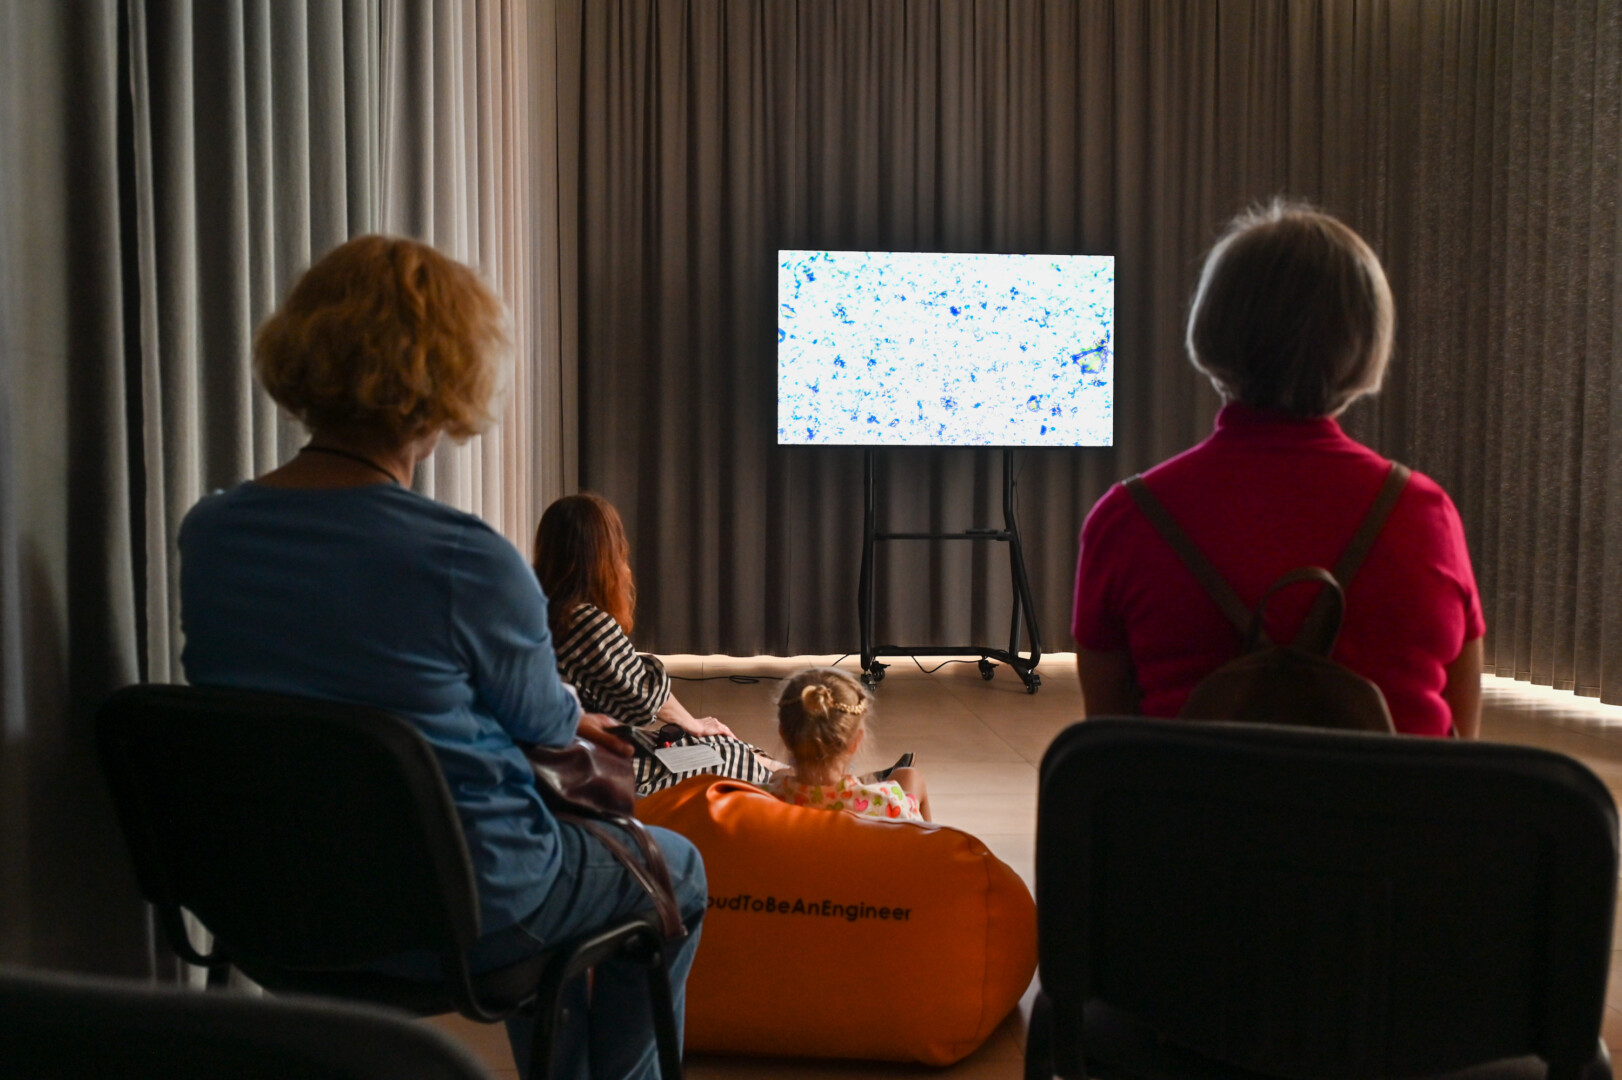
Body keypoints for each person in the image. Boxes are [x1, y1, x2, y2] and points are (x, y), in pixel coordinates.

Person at [177, 234, 704, 1080]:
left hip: (274, 899)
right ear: (448, 378)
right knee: (677, 870)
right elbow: (543, 724)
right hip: (464, 909)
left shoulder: (211, 533)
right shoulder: (464, 558)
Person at [1071, 200, 1485, 738]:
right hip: (1391, 798)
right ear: (1367, 340)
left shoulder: (1127, 519)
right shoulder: (1425, 514)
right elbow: (1461, 744)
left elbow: (1109, 749)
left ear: (1212, 329)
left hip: (1192, 797)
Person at [533, 493, 783, 795]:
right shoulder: (583, 621)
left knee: (723, 746)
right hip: (590, 763)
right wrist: (694, 724)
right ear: (603, 554)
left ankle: (793, 780)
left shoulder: (544, 608)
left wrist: (693, 725)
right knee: (723, 752)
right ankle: (808, 792)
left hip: (573, 749)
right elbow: (645, 697)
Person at [765, 667, 931, 822]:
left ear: (783, 734)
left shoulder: (760, 802)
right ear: (857, 740)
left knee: (780, 774)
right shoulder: (890, 804)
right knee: (911, 776)